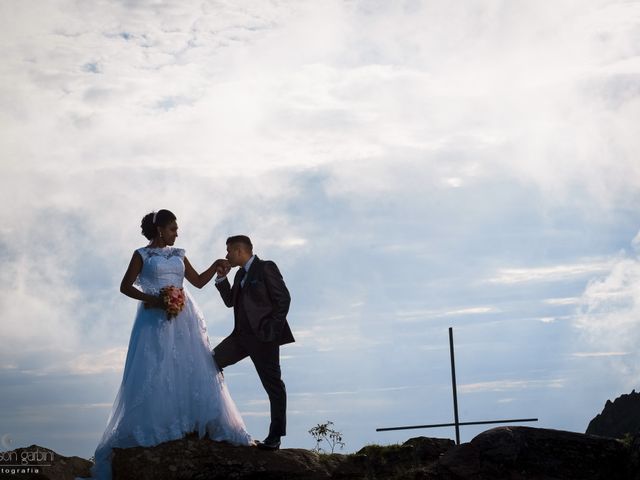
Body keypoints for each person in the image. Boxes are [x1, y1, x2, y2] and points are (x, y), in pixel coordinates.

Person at [88, 210, 252, 480]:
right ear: (160, 229)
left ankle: (191, 421)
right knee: (156, 366)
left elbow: (197, 282)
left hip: (184, 316)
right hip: (153, 317)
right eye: (173, 228)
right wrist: (152, 299)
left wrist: (215, 265)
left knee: (189, 365)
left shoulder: (178, 254)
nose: (177, 233)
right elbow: (125, 286)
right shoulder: (141, 255)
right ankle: (160, 423)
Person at [213, 235, 294, 451]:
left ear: (240, 251)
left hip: (264, 338)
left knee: (273, 386)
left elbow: (283, 299)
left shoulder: (266, 267)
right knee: (210, 362)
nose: (227, 255)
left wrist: (270, 331)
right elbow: (231, 301)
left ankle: (275, 437)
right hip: (239, 338)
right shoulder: (239, 273)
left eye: (229, 251)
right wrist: (222, 279)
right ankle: (214, 422)